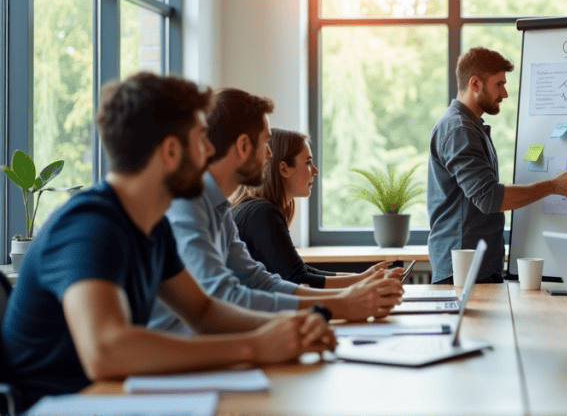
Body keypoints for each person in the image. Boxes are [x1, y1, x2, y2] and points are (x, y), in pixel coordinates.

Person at [0, 72, 335, 411]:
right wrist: (255, 346)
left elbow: (204, 312)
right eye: (202, 140)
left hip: (113, 397)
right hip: (57, 405)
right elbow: (107, 351)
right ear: (172, 151)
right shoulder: (90, 226)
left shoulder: (152, 225)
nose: (209, 152)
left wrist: (292, 328)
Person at [148, 88, 402, 334]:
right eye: (266, 142)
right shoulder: (185, 204)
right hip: (175, 359)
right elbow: (224, 296)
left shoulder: (218, 206)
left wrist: (345, 298)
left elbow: (259, 281)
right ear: (244, 146)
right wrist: (340, 304)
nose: (270, 153)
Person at [428, 47, 567, 284]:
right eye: (498, 84)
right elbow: (491, 198)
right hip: (464, 269)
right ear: (475, 84)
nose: (504, 94)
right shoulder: (459, 130)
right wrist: (553, 186)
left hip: (473, 266)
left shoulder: (469, 127)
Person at [231, 128, 376, 288]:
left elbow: (298, 270)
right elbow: (298, 279)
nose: (315, 171)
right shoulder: (262, 213)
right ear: (284, 168)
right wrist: (364, 280)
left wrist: (363, 277)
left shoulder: (255, 209)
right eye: (308, 163)